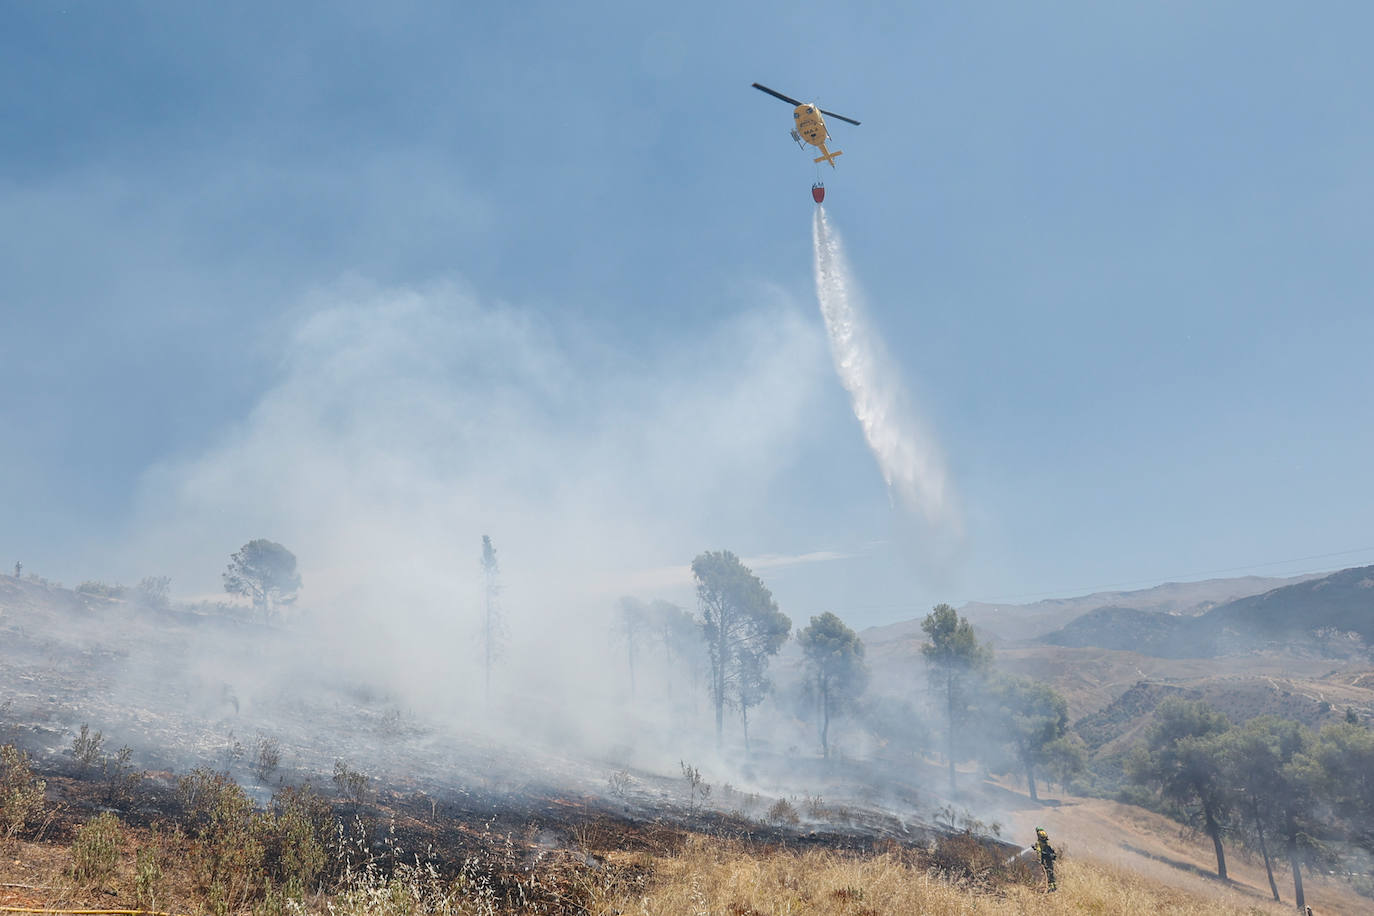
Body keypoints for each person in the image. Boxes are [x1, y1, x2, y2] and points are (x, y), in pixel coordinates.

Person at [1033, 827, 1058, 891]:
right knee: (1051, 871)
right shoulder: (1044, 834)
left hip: (1045, 857)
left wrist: (1039, 860)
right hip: (1049, 857)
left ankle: (1050, 888)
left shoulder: (1039, 840)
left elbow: (1039, 851)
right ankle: (1054, 887)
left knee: (1047, 872)